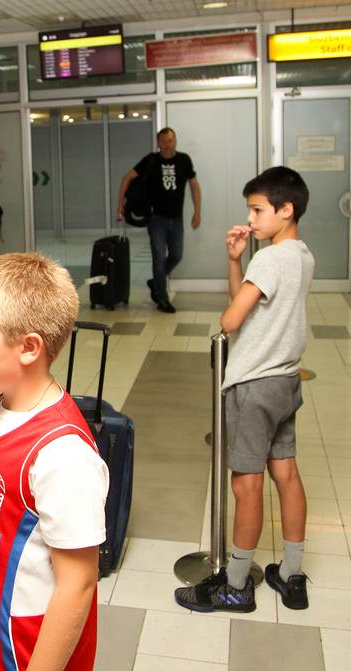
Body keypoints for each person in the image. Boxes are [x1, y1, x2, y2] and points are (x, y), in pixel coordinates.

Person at [0, 253, 107, 671]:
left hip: (26, 656)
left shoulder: (62, 455)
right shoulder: (2, 406)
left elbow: (78, 583)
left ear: (29, 347)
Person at [175, 166, 314, 613]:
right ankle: (292, 575)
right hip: (286, 380)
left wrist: (248, 262)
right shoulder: (301, 255)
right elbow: (251, 309)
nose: (250, 220)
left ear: (285, 209)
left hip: (253, 385)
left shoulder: (270, 259)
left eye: (257, 210)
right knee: (286, 475)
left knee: (246, 485)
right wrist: (235, 260)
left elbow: (231, 320)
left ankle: (235, 584)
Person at [116, 127, 202, 313]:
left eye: (170, 140)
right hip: (156, 219)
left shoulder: (184, 160)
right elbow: (127, 178)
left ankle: (156, 281)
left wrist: (197, 211)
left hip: (176, 219)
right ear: (158, 143)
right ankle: (162, 298)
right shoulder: (151, 160)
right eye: (163, 141)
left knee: (177, 255)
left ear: (175, 141)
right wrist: (120, 206)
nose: (167, 144)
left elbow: (194, 186)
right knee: (158, 259)